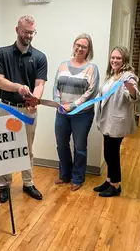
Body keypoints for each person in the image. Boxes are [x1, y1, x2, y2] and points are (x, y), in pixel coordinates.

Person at [0, 15, 47, 203]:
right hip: (7, 108)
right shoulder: (2, 53)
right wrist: (18, 87)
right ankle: (3, 185)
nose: (29, 36)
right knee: (5, 147)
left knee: (27, 148)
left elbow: (39, 83)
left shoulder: (40, 57)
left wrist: (35, 99)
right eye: (25, 32)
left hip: (27, 110)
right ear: (17, 30)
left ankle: (28, 183)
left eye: (32, 32)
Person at [94, 46, 140, 197]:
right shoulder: (112, 75)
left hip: (117, 122)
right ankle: (109, 181)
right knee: (108, 153)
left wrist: (132, 90)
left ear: (125, 60)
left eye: (118, 58)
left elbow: (136, 97)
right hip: (107, 121)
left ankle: (115, 185)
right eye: (113, 57)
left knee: (112, 153)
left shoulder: (128, 76)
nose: (114, 60)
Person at [53, 33, 99, 191]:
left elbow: (91, 92)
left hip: (82, 114)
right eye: (77, 45)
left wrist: (72, 106)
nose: (80, 48)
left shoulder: (92, 68)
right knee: (61, 145)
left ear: (88, 50)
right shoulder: (62, 65)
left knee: (79, 146)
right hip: (62, 113)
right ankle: (64, 174)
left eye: (84, 47)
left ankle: (78, 178)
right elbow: (55, 87)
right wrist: (59, 103)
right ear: (74, 46)